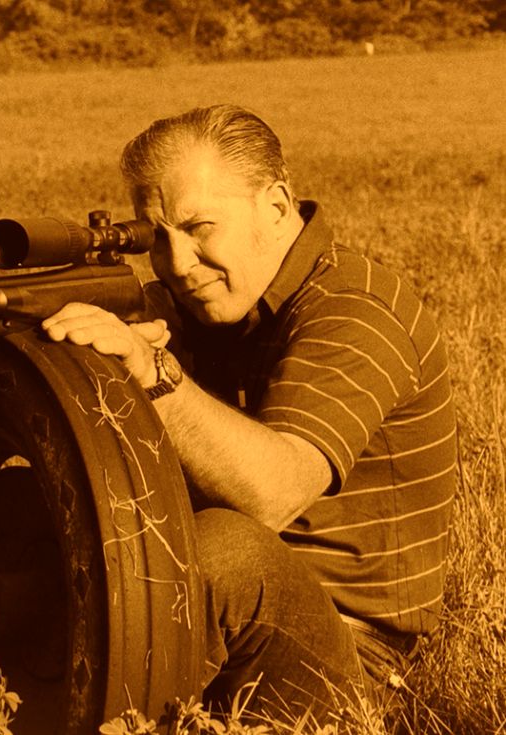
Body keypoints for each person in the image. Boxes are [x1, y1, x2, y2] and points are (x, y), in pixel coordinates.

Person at [42, 104, 456, 723]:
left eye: (200, 226)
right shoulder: (213, 303)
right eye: (156, 238)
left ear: (276, 204)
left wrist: (152, 373)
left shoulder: (356, 311)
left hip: (357, 660)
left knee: (223, 548)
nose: (178, 263)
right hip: (225, 623)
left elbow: (272, 494)